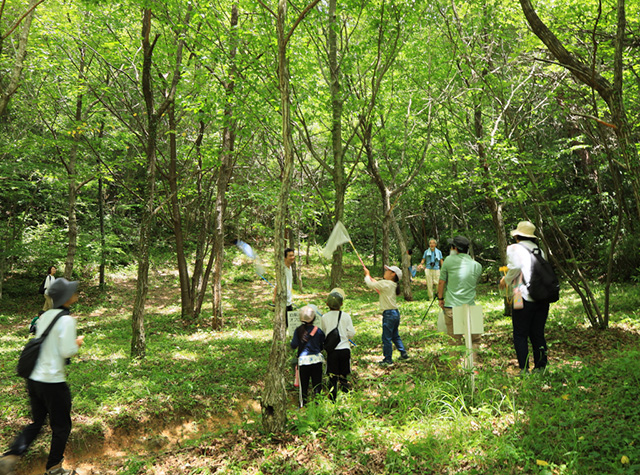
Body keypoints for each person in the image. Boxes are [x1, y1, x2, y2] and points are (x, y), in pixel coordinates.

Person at [0, 278, 84, 475]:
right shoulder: (67, 320)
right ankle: (54, 468)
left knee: (37, 422)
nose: (76, 293)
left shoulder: (45, 316)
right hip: (53, 381)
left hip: (34, 379)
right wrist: (77, 343)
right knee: (62, 425)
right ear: (66, 297)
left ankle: (10, 456)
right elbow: (66, 351)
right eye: (73, 291)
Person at [499, 221, 550, 374]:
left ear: (517, 235)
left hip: (522, 296)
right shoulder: (539, 250)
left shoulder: (514, 248)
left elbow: (514, 268)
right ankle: (541, 367)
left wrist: (505, 280)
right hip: (542, 297)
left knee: (520, 334)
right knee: (538, 333)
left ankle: (524, 368)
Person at [437, 236, 482, 349]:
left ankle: (455, 366)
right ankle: (472, 364)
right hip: (471, 307)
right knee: (475, 340)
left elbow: (441, 282)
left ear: (455, 248)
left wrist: (440, 298)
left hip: (451, 307)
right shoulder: (477, 265)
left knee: (454, 342)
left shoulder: (448, 260)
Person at [364, 265, 409, 365]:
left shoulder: (386, 284)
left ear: (393, 274)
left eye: (388, 270)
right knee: (395, 335)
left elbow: (370, 285)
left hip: (388, 314)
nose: (385, 271)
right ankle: (403, 353)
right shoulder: (391, 284)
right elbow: (377, 284)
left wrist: (367, 275)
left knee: (387, 338)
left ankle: (388, 360)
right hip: (395, 313)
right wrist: (373, 279)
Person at [320, 288, 356, 400]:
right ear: (341, 304)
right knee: (344, 374)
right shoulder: (346, 316)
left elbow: (323, 333)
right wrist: (344, 335)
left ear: (327, 304)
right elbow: (352, 333)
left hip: (332, 351)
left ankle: (333, 398)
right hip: (345, 349)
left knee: (332, 375)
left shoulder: (324, 317)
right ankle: (346, 395)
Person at [290, 305, 325, 407]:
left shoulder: (298, 330)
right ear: (313, 318)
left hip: (303, 361)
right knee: (317, 384)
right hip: (317, 360)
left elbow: (293, 345)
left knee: (303, 385)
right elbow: (323, 343)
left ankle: (302, 404)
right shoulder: (318, 331)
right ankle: (318, 404)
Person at [273, 248, 295, 322]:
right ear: (285, 257)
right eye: (290, 256)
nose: (292, 257)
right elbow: (277, 284)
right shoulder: (282, 269)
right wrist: (274, 297)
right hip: (283, 302)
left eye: (293, 255)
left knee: (291, 325)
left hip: (289, 301)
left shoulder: (290, 268)